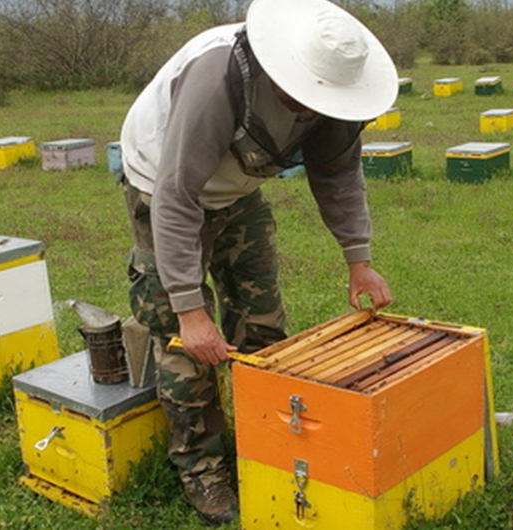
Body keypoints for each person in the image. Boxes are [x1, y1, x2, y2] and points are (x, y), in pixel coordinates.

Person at [118, 0, 397, 524]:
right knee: (185, 342)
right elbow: (178, 194)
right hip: (163, 186)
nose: (315, 105)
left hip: (237, 191)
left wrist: (359, 260)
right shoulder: (219, 77)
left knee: (263, 319)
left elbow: (338, 177)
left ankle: (267, 442)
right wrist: (188, 308)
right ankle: (201, 467)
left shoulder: (334, 100)